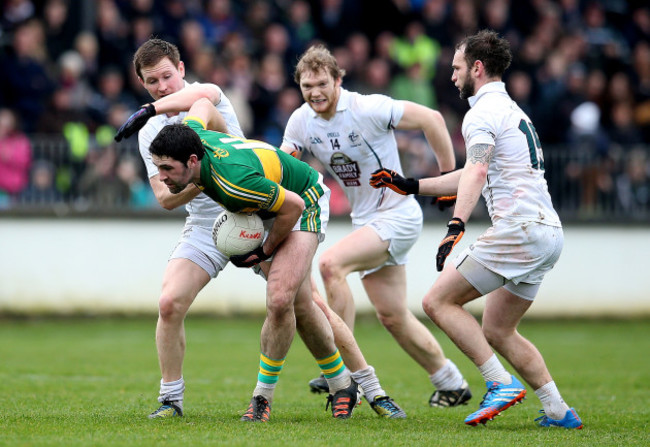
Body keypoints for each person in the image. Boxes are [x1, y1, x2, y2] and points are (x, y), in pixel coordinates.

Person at [121, 38, 406, 421]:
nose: (161, 87)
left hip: (258, 210)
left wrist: (153, 112)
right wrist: (200, 180)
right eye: (151, 82)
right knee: (169, 303)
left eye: (167, 77)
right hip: (210, 223)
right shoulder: (148, 134)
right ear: (141, 82)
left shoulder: (206, 101)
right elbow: (163, 196)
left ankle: (368, 388)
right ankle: (170, 400)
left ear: (182, 70)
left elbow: (203, 98)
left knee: (304, 304)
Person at [370, 30, 583, 429]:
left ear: (477, 68)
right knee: (498, 329)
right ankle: (558, 411)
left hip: (519, 229)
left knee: (437, 302)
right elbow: (472, 173)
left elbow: (478, 170)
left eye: (456, 67)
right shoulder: (513, 110)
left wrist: (456, 225)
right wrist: (412, 185)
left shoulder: (480, 113)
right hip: (548, 233)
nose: (452, 76)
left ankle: (499, 383)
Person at [280, 44, 472, 408]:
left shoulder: (367, 107)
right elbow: (284, 166)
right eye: (307, 87)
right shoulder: (301, 120)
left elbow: (432, 118)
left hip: (398, 215)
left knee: (330, 265)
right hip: (367, 220)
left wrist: (449, 177)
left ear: (338, 80)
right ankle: (451, 382)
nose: (315, 93)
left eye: (322, 83)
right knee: (393, 316)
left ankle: (341, 368)